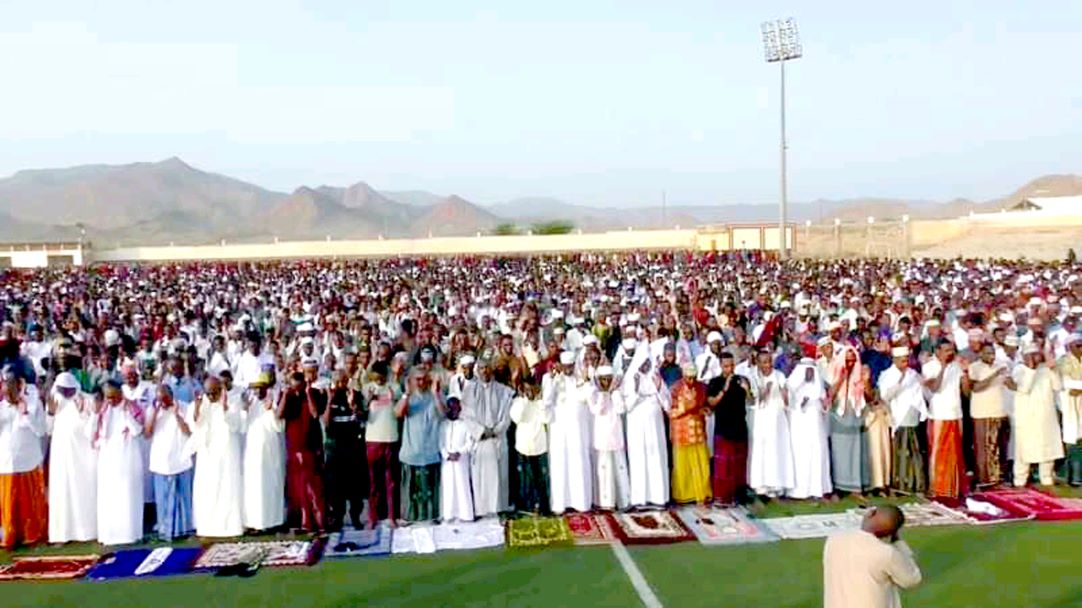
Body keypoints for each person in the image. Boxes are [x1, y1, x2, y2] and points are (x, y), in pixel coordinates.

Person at [823, 505, 922, 608]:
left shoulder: (834, 539)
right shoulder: (886, 553)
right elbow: (911, 579)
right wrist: (898, 542)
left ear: (870, 514)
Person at [190, 375, 244, 538]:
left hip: (227, 455)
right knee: (208, 490)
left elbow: (237, 426)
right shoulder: (200, 404)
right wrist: (197, 410)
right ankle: (207, 527)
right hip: (207, 456)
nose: (212, 397)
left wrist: (225, 407)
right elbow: (194, 427)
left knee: (227, 488)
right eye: (209, 394)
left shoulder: (233, 402)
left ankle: (230, 528)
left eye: (215, 393)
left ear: (222, 390)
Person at [47, 371, 98, 544]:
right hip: (61, 455)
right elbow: (47, 430)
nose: (66, 393)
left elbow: (91, 427)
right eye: (63, 389)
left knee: (83, 490)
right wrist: (51, 413)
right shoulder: (55, 401)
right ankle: (62, 534)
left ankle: (87, 531)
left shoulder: (87, 400)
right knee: (62, 492)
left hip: (82, 456)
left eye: (69, 389)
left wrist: (82, 411)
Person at [93, 379, 145, 546]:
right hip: (108, 458)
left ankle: (129, 534)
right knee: (109, 496)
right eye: (108, 397)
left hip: (127, 457)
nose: (111, 401)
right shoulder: (102, 410)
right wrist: (95, 413)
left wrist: (125, 413)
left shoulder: (132, 406)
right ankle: (110, 534)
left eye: (114, 397)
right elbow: (92, 433)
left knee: (127, 495)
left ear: (120, 394)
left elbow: (137, 431)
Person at [0, 368, 48, 549]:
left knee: (30, 505)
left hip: (28, 462)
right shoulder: (1, 408)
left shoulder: (33, 404)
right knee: (8, 506)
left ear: (19, 387)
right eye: (5, 392)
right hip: (5, 463)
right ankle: (10, 537)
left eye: (10, 391)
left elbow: (40, 431)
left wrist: (25, 413)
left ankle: (32, 535)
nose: (7, 396)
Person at [461, 356, 514, 517]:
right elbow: (467, 415)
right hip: (480, 440)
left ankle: (499, 508)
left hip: (497, 439)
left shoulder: (502, 390)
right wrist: (481, 431)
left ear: (492, 369)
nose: (485, 371)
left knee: (499, 476)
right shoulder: (469, 391)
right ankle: (481, 509)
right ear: (477, 370)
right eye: (481, 368)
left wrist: (496, 430)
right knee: (480, 476)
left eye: (487, 368)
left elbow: (507, 414)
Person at [544, 351, 595, 513]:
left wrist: (587, 380)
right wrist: (553, 380)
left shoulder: (581, 379)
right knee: (560, 464)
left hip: (578, 430)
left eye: (571, 366)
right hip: (559, 429)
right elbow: (546, 400)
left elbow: (589, 397)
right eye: (565, 366)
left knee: (578, 463)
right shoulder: (550, 379)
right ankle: (560, 504)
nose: (568, 369)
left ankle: (581, 503)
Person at [621, 345, 671, 507]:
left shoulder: (656, 378)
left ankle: (658, 497)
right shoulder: (630, 379)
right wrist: (636, 391)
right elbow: (626, 406)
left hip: (654, 426)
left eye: (648, 364)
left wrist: (659, 387)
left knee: (656, 457)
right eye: (643, 364)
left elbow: (668, 404)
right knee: (639, 459)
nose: (646, 367)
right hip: (636, 424)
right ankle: (639, 499)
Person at [144, 384, 194, 541]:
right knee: (163, 498)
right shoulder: (153, 410)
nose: (163, 403)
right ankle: (165, 531)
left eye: (165, 399)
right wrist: (155, 412)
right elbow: (147, 433)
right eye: (160, 400)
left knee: (181, 497)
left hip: (180, 459)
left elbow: (188, 431)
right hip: (160, 461)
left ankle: (183, 530)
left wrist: (176, 414)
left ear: (172, 396)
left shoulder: (184, 407)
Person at [396, 367, 445, 522]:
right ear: (411, 380)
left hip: (431, 450)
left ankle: (431, 516)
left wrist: (436, 394)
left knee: (430, 490)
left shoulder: (435, 395)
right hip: (411, 451)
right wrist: (406, 394)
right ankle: (410, 517)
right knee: (411, 490)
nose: (421, 382)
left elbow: (443, 415)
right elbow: (398, 413)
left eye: (424, 378)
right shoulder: (407, 397)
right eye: (418, 379)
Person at [279, 370, 326, 532]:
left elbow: (314, 414)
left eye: (300, 387)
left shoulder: (314, 393)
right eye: (294, 388)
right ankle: (301, 520)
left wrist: (308, 393)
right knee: (297, 487)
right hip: (294, 446)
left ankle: (317, 521)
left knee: (313, 487)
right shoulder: (288, 396)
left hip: (310, 447)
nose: (297, 391)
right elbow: (279, 414)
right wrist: (285, 395)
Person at [1011, 345, 1064, 487]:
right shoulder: (1019, 370)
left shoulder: (1046, 370)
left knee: (1047, 448)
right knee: (1023, 450)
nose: (1035, 358)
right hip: (1026, 417)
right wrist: (1030, 369)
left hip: (1046, 417)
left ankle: (1046, 479)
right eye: (1031, 355)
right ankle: (1020, 480)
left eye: (1036, 355)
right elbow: (1024, 388)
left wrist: (1053, 369)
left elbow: (1058, 386)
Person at [877, 347, 928, 495]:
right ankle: (900, 485)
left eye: (907, 360)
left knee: (915, 450)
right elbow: (886, 396)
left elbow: (921, 391)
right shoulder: (887, 375)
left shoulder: (913, 374)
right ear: (894, 360)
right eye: (902, 360)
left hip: (913, 415)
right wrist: (900, 380)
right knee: (901, 450)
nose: (905, 363)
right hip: (898, 416)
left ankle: (916, 484)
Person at [321, 368, 367, 531]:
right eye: (337, 381)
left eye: (343, 380)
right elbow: (325, 422)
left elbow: (362, 419)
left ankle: (356, 517)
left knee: (355, 488)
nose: (340, 384)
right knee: (335, 487)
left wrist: (353, 405)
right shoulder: (328, 395)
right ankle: (338, 518)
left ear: (348, 380)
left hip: (353, 447)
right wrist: (328, 401)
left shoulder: (356, 394)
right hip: (334, 448)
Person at [242, 371, 286, 532]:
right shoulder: (250, 405)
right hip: (252, 452)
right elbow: (241, 426)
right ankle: (254, 524)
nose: (258, 392)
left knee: (270, 486)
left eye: (261, 388)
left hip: (269, 452)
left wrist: (271, 411)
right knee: (253, 487)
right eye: (256, 389)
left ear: (267, 389)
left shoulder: (273, 403)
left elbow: (279, 427)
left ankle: (272, 522)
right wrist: (244, 410)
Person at [922, 339, 966, 498]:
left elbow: (966, 391)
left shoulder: (957, 366)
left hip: (956, 414)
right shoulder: (929, 366)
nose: (950, 353)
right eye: (946, 350)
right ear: (938, 351)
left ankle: (954, 487)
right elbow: (934, 388)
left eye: (951, 350)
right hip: (939, 415)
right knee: (938, 453)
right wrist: (942, 367)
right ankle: (937, 488)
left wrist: (966, 373)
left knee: (956, 454)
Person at [748, 350, 794, 497]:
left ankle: (777, 483)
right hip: (761, 418)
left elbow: (787, 398)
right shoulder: (754, 376)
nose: (767, 365)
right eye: (764, 362)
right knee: (761, 448)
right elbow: (753, 400)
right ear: (758, 363)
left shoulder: (779, 375)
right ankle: (761, 484)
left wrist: (785, 394)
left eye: (769, 361)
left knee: (776, 448)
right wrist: (765, 392)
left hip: (777, 419)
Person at [786, 357, 832, 499]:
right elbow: (789, 398)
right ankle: (798, 490)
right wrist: (801, 399)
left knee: (817, 452)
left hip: (815, 423)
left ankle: (817, 489)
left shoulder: (818, 386)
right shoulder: (792, 383)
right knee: (800, 453)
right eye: (806, 370)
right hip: (799, 422)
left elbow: (824, 403)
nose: (810, 373)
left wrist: (822, 404)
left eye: (812, 369)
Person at [707, 353, 749, 505]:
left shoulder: (741, 380)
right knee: (724, 466)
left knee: (739, 465)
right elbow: (711, 403)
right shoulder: (715, 382)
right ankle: (722, 497)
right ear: (720, 366)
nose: (730, 369)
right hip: (723, 429)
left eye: (732, 365)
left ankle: (738, 496)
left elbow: (751, 400)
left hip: (740, 427)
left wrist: (746, 390)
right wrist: (724, 389)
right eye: (726, 366)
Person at [967, 342, 1011, 487]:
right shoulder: (975, 367)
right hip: (982, 413)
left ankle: (999, 477)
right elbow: (976, 387)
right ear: (980, 354)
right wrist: (995, 374)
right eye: (987, 353)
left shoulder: (1001, 365)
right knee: (984, 448)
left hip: (1000, 411)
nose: (991, 356)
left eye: (992, 353)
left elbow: (1010, 385)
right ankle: (985, 478)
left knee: (999, 446)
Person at [587, 366, 631, 510]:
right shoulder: (594, 393)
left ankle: (623, 500)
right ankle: (606, 502)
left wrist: (613, 392)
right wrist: (604, 393)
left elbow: (621, 409)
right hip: (602, 436)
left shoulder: (617, 392)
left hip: (616, 435)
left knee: (620, 468)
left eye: (608, 379)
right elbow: (597, 410)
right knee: (604, 470)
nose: (606, 382)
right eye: (603, 379)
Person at [668, 364, 712, 505]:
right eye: (688, 378)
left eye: (693, 377)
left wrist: (704, 410)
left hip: (697, 429)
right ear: (683, 375)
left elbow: (702, 406)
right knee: (682, 465)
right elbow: (671, 412)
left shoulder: (702, 387)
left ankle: (701, 494)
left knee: (701, 463)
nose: (691, 381)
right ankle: (683, 495)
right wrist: (686, 407)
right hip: (682, 431)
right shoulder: (675, 388)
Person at [363, 362, 400, 528]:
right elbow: (361, 412)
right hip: (372, 439)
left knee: (390, 480)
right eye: (375, 377)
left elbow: (400, 410)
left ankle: (392, 516)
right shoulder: (367, 388)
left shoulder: (394, 387)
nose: (378, 380)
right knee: (373, 482)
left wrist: (395, 398)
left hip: (391, 438)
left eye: (381, 376)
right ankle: (373, 517)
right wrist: (368, 400)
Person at [828, 345, 868, 495]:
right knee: (839, 451)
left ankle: (853, 486)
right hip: (838, 417)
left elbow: (868, 398)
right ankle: (838, 486)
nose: (850, 364)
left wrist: (865, 380)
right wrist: (841, 379)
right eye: (847, 361)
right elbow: (829, 396)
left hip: (854, 416)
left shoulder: (858, 376)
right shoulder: (833, 372)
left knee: (854, 450)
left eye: (853, 361)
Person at [509, 382, 550, 513]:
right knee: (525, 479)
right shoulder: (518, 402)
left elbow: (546, 419)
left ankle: (541, 506)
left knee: (540, 478)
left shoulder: (541, 403)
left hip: (539, 445)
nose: (530, 391)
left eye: (532, 388)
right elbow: (517, 417)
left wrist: (540, 401)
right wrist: (525, 400)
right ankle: (526, 506)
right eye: (527, 389)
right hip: (523, 446)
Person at [439, 396, 475, 522]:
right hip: (447, 461)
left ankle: (465, 514)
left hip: (461, 460)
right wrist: (447, 454)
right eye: (451, 408)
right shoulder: (443, 425)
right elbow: (440, 442)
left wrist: (460, 453)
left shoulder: (465, 424)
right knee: (448, 486)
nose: (454, 410)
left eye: (456, 408)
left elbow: (469, 442)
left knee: (462, 485)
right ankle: (448, 514)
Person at [1057, 334, 1082, 486]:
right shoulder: (1063, 361)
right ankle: (1070, 476)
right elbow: (1067, 383)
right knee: (1072, 438)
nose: (1081, 348)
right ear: (1069, 346)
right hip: (1069, 404)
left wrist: (1078, 388)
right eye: (1077, 345)